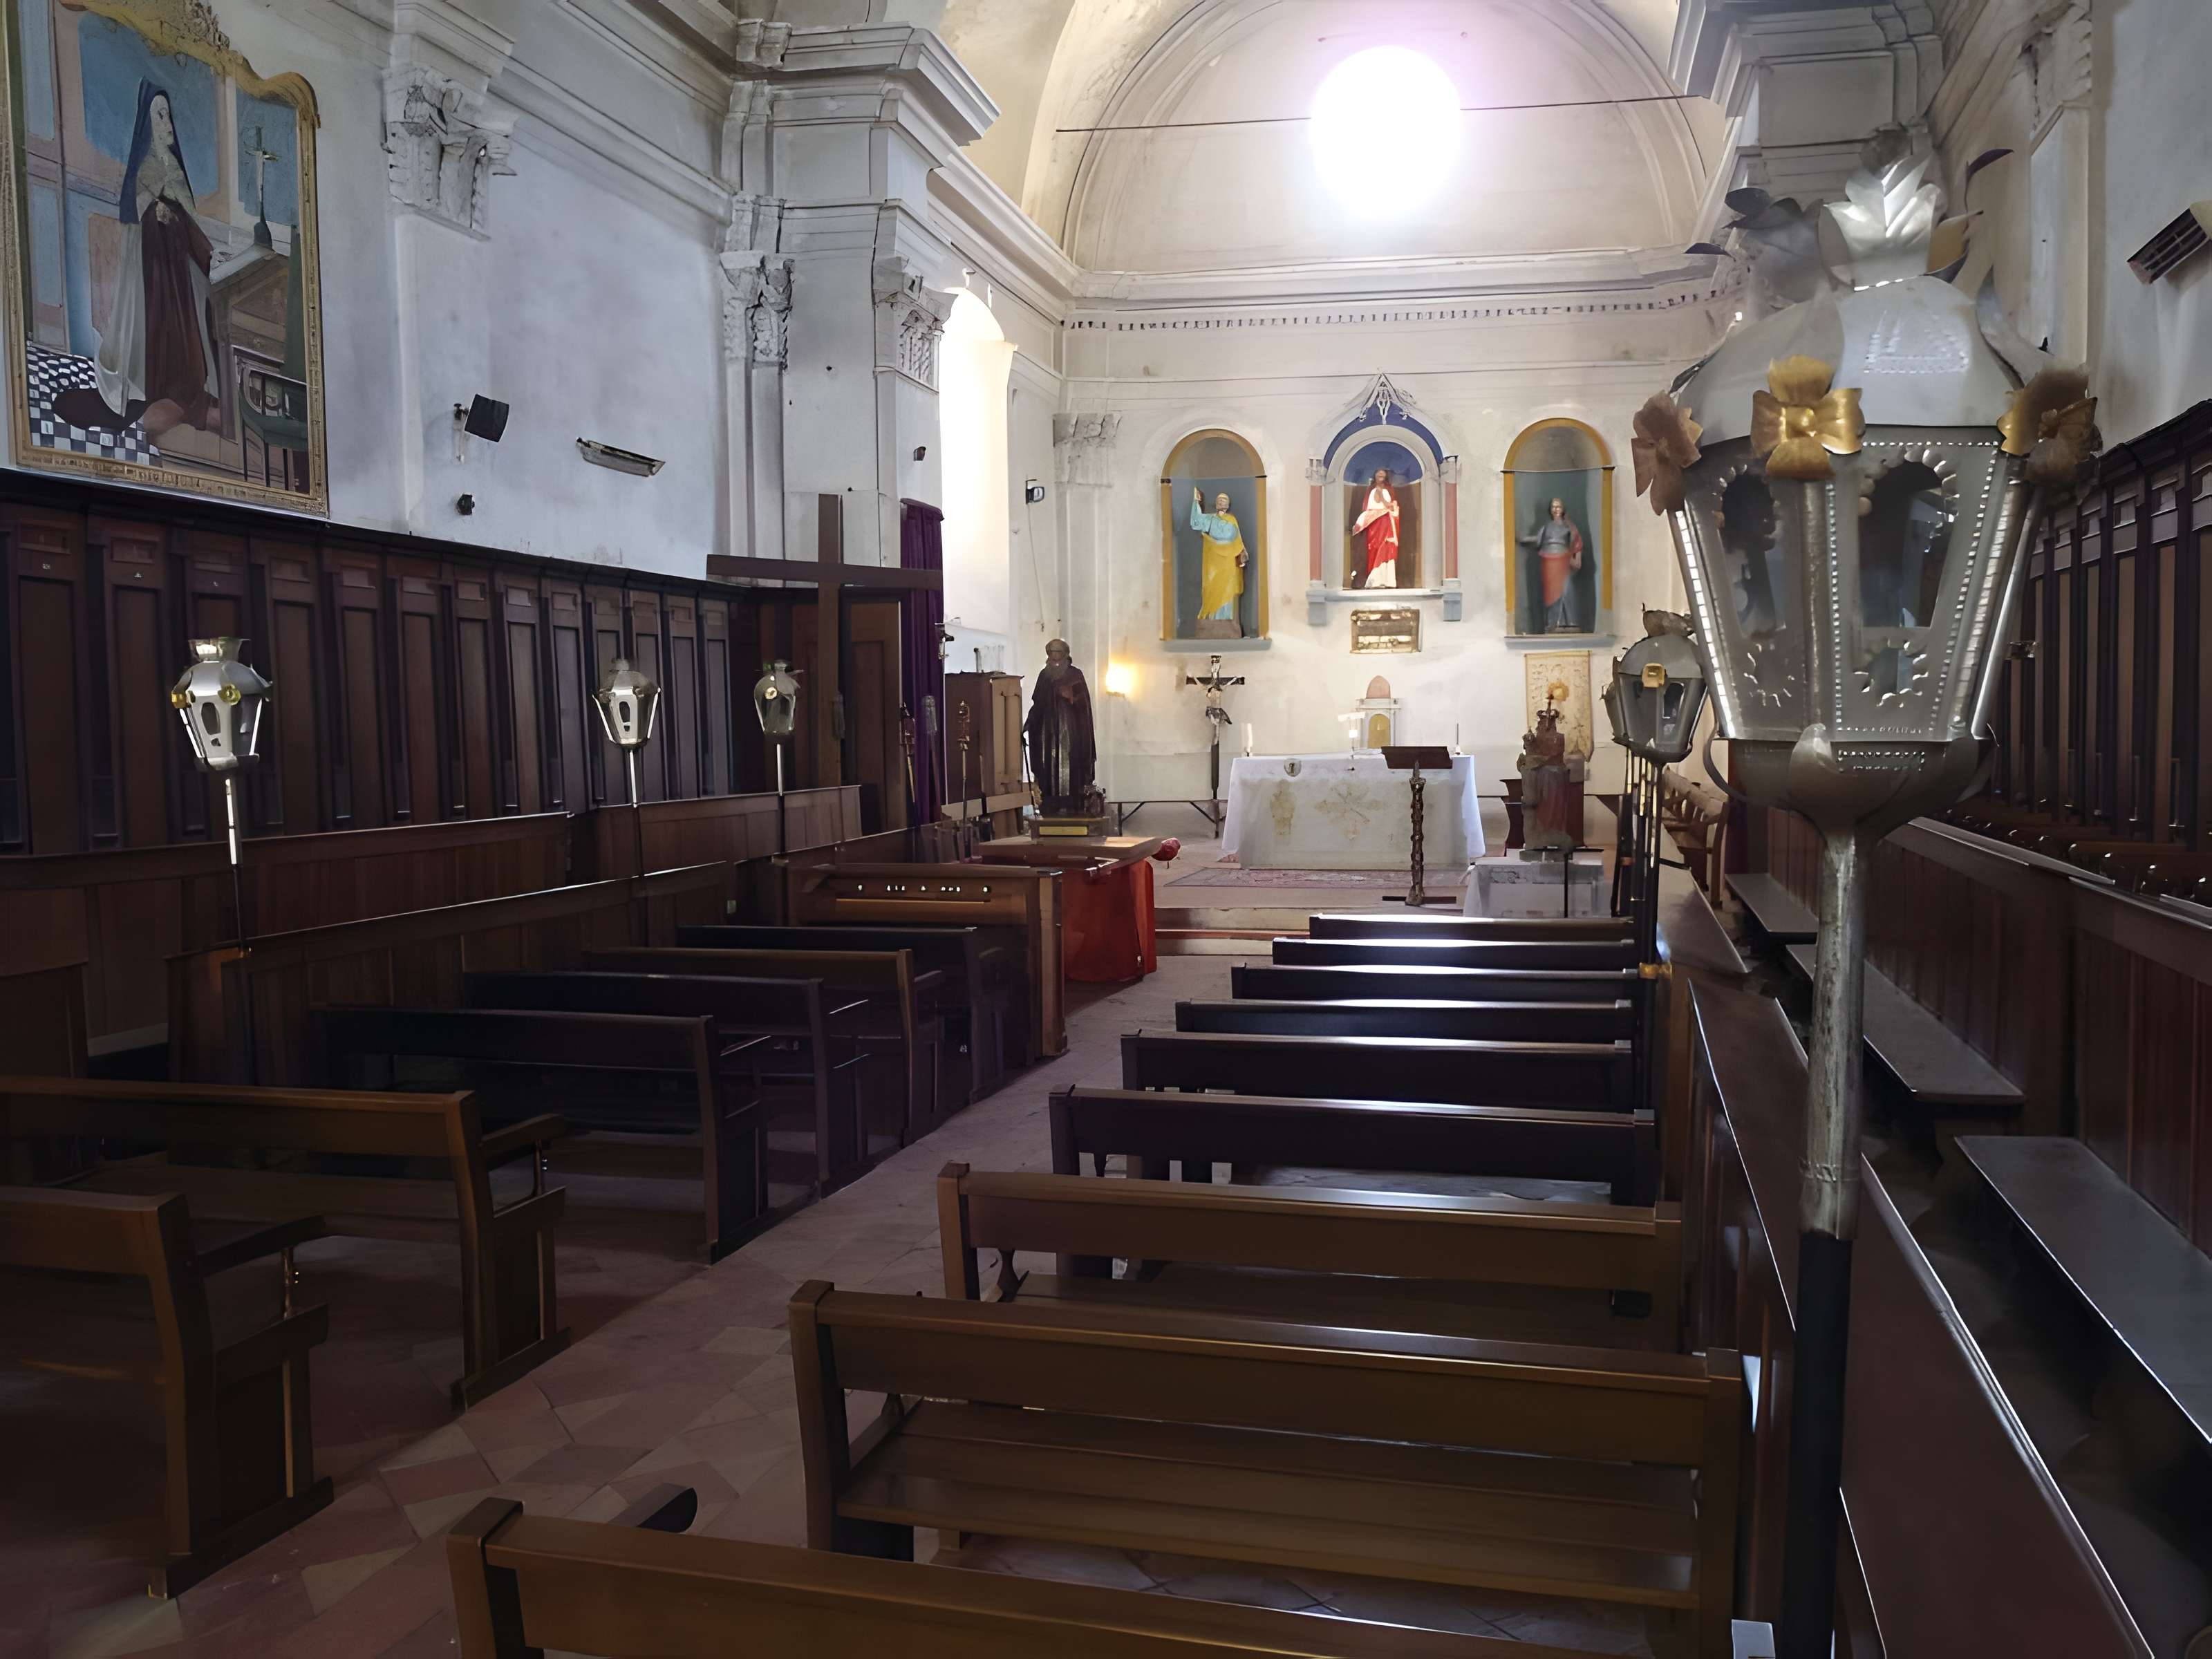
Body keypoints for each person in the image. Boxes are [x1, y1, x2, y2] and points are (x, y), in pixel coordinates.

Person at [54, 84, 222, 444]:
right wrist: (156, 210)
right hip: (153, 267)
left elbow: (188, 210)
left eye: (167, 116)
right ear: (149, 122)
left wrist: (178, 216)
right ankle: (156, 384)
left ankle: (183, 383)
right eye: (159, 116)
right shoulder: (145, 165)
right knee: (156, 325)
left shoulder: (174, 166)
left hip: (177, 265)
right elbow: (135, 207)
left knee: (183, 324)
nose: (166, 124)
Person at [1024, 638, 1099, 817]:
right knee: (1048, 766)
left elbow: (1084, 703)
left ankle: (1071, 803)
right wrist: (1030, 720)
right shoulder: (1044, 675)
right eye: (1052, 653)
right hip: (1047, 731)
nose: (1055, 656)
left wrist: (1070, 696)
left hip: (1070, 729)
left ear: (1065, 654)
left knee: (1070, 765)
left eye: (1058, 652)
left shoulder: (1075, 675)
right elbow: (1037, 702)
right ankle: (1050, 803)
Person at [1188, 486, 1248, 635]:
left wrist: (1242, 553)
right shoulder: (1211, 519)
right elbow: (1196, 522)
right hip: (1214, 559)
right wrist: (1196, 502)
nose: (1222, 502)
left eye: (1224, 500)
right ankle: (1212, 620)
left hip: (1229, 559)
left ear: (1228, 505)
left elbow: (1238, 540)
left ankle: (1227, 620)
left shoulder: (1232, 520)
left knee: (1227, 589)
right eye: (1219, 500)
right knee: (1212, 587)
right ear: (1216, 504)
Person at [1519, 497, 1586, 632]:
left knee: (1567, 589)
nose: (1556, 509)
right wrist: (1522, 540)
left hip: (1563, 561)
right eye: (1554, 507)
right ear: (1550, 510)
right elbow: (1538, 540)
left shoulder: (1569, 527)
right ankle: (1553, 623)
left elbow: (1577, 542)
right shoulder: (1547, 527)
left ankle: (1570, 622)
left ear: (1563, 509)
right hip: (1549, 563)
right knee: (1551, 592)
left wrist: (1576, 558)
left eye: (1559, 506)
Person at [1353, 467, 1400, 588]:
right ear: (1375, 476)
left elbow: (1390, 505)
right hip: (1376, 521)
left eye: (1383, 474)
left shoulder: (1388, 490)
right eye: (1379, 474)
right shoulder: (1374, 490)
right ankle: (1375, 579)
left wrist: (1392, 506)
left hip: (1386, 521)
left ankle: (1387, 580)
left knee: (1387, 547)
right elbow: (1382, 504)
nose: (1381, 476)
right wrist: (1390, 505)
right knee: (1377, 547)